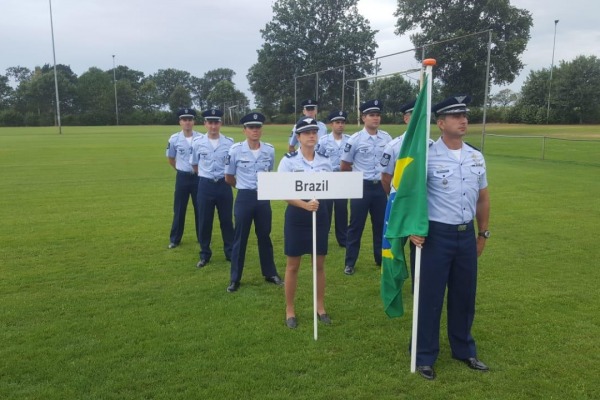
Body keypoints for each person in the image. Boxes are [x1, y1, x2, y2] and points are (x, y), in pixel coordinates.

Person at [409, 95, 491, 380]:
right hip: (435, 236)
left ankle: (464, 349)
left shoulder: (475, 156)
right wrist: (412, 227)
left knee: (464, 295)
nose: (463, 120)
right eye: (456, 116)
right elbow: (410, 195)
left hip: (465, 235)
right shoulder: (427, 156)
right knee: (429, 297)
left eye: (464, 115)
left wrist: (483, 232)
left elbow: (482, 198)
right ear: (441, 123)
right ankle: (424, 355)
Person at [278, 117, 333, 329]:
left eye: (314, 131)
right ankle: (290, 309)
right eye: (307, 132)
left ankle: (320, 307)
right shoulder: (288, 161)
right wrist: (303, 205)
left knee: (318, 265)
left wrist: (318, 202)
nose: (312, 135)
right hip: (297, 215)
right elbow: (282, 191)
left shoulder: (325, 160)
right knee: (293, 265)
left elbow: (332, 187)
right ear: (298, 137)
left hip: (320, 214)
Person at [224, 112, 284, 293]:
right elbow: (228, 177)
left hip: (263, 197)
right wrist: (243, 187)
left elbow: (270, 171)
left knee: (265, 236)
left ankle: (270, 273)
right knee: (240, 238)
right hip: (244, 196)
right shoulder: (235, 150)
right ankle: (235, 278)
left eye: (257, 127)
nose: (255, 130)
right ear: (244, 130)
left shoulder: (269, 150)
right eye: (251, 127)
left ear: (261, 129)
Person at [340, 100, 392, 275]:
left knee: (380, 226)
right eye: (371, 115)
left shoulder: (386, 138)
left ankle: (380, 259)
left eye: (377, 115)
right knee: (355, 226)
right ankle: (350, 262)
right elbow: (345, 165)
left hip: (380, 188)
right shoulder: (355, 139)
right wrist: (354, 183)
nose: (375, 118)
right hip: (361, 187)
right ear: (363, 118)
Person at [190, 108, 234, 268]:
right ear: (205, 124)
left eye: (216, 122)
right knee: (204, 221)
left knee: (227, 221)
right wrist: (205, 176)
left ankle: (230, 252)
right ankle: (204, 254)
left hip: (224, 184)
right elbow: (194, 164)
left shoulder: (229, 143)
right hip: (205, 184)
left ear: (220, 124)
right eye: (210, 123)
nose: (213, 126)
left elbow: (231, 165)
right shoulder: (197, 143)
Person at [165, 107, 202, 249]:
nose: (187, 122)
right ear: (180, 122)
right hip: (182, 177)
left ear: (193, 122)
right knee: (179, 209)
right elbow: (171, 158)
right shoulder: (174, 139)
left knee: (200, 209)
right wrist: (181, 170)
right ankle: (175, 239)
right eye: (184, 120)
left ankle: (202, 237)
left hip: (198, 178)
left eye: (190, 119)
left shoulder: (201, 138)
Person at [317, 110, 351, 247]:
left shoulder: (349, 140)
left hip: (342, 180)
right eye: (337, 123)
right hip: (328, 179)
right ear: (332, 124)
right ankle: (323, 237)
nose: (340, 125)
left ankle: (343, 239)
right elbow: (318, 159)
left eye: (342, 123)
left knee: (342, 209)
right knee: (326, 209)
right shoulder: (324, 141)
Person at [380, 99, 416, 195]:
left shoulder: (431, 146)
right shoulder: (393, 147)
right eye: (415, 115)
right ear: (406, 119)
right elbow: (385, 178)